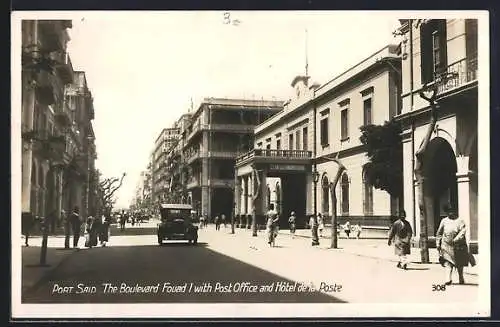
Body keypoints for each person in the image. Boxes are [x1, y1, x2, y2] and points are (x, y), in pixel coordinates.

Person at [436, 206, 473, 285]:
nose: (450, 213)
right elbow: (439, 233)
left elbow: (462, 232)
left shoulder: (460, 221)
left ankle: (461, 277)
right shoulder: (444, 221)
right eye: (449, 211)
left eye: (452, 211)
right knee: (447, 262)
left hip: (458, 245)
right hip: (446, 245)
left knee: (459, 263)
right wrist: (438, 243)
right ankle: (448, 278)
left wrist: (456, 239)